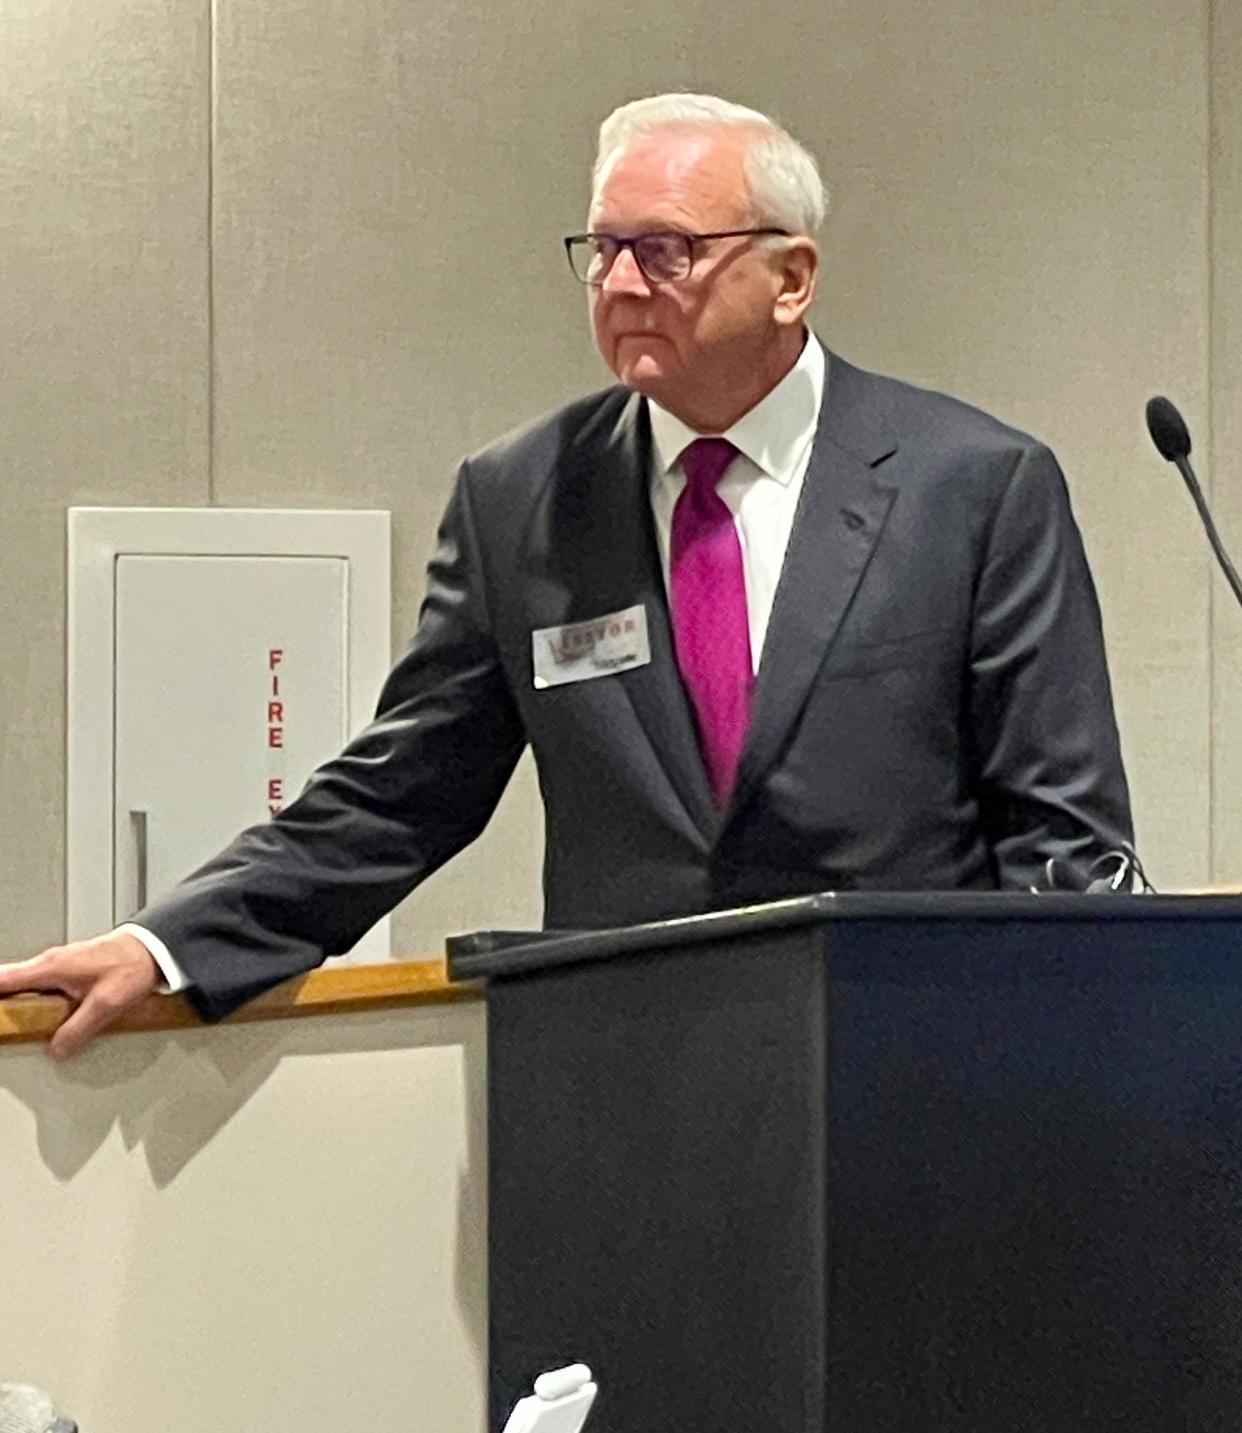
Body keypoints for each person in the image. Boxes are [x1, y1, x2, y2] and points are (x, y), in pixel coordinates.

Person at [0, 93, 1132, 1057]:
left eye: (668, 250)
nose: (624, 283)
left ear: (792, 277)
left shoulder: (972, 486)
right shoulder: (521, 500)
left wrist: (1040, 1073)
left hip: (908, 1076)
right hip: (623, 1093)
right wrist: (167, 942)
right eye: (605, 249)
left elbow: (1062, 834)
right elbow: (404, 791)